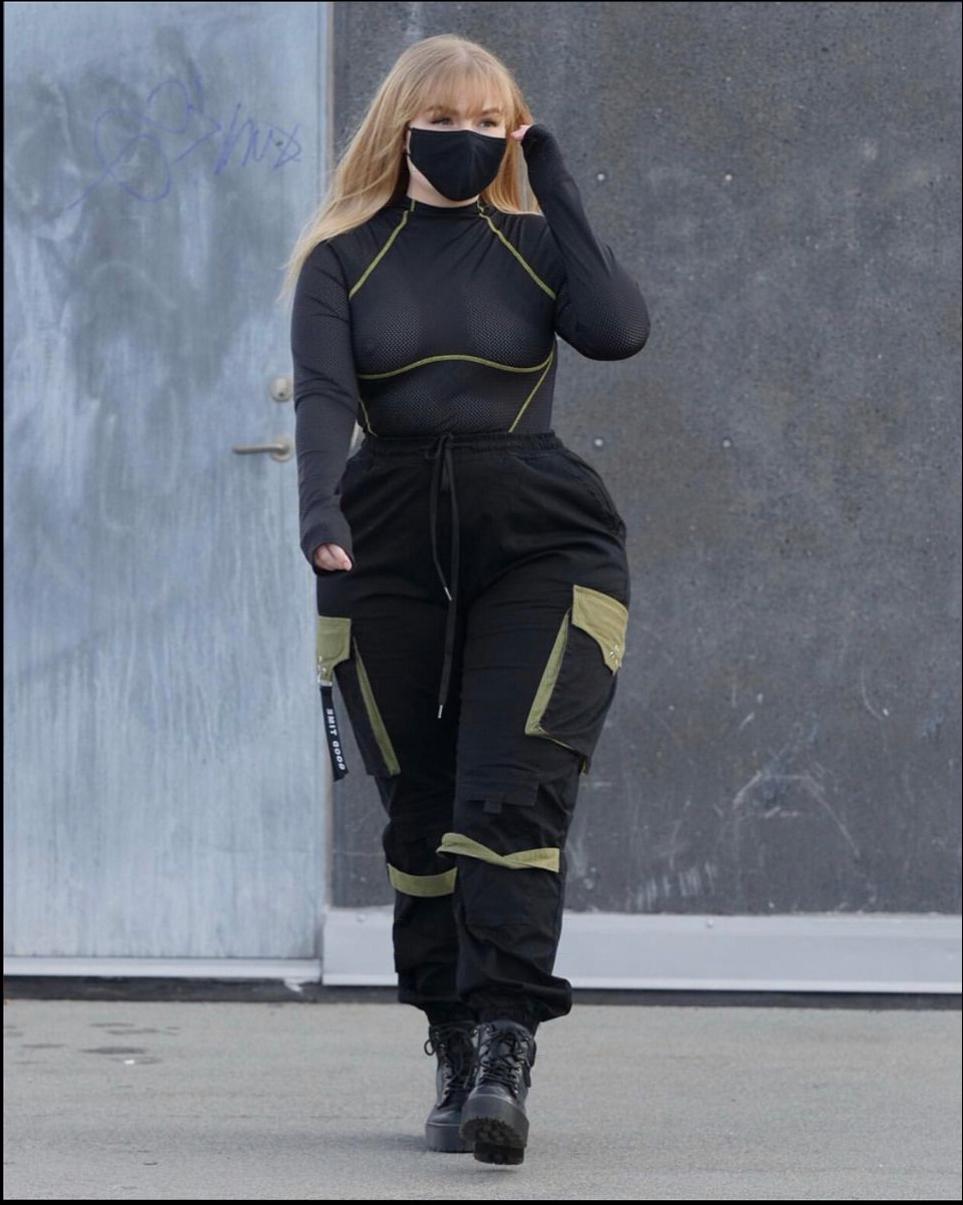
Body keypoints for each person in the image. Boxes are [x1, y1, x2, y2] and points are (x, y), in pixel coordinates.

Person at [283, 34, 650, 1165]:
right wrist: (318, 516)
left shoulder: (536, 244)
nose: (471, 139)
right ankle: (448, 1032)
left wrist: (559, 183)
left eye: (493, 122)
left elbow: (618, 330)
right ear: (403, 123)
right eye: (450, 118)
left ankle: (504, 1046)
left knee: (509, 795)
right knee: (419, 809)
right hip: (384, 541)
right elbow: (322, 397)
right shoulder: (342, 255)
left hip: (543, 544)